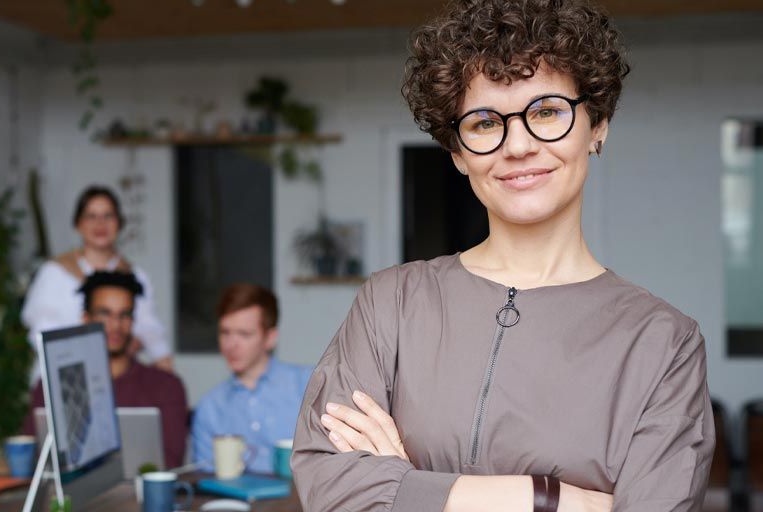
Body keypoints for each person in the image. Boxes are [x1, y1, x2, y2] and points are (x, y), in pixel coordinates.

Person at [291, 1, 714, 510]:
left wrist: (404, 488)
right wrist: (550, 498)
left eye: (548, 112)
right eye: (486, 122)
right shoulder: (391, 305)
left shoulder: (664, 343)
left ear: (597, 125)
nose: (517, 146)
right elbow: (332, 488)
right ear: (458, 152)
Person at [23, 271, 188, 469]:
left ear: (133, 321)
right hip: (71, 497)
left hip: (138, 496)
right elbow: (32, 460)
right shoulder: (51, 385)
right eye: (105, 314)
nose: (116, 325)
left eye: (124, 315)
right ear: (86, 318)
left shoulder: (166, 386)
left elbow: (170, 464)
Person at [22, 185, 173, 371]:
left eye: (108, 216)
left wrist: (160, 360)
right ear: (78, 224)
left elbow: (149, 330)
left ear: (119, 223)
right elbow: (41, 331)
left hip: (116, 376)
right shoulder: (54, 272)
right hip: (62, 371)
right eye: (91, 216)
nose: (100, 224)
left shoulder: (134, 276)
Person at [191, 283, 311, 474]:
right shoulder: (210, 407)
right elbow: (206, 482)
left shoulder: (308, 385)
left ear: (270, 338)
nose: (231, 345)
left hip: (305, 502)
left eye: (244, 334)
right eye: (225, 332)